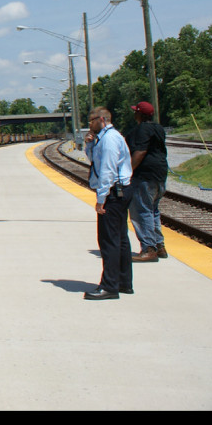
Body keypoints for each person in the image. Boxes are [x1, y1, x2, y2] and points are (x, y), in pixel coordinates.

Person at [83, 107, 133, 300]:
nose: (89, 124)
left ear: (102, 119)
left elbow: (107, 171)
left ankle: (109, 286)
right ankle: (123, 282)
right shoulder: (103, 139)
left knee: (109, 241)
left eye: (92, 120)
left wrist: (101, 199)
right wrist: (89, 146)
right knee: (120, 239)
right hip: (119, 191)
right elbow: (96, 162)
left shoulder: (110, 139)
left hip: (113, 193)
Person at [126, 100, 168, 262]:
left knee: (141, 211)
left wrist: (128, 172)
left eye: (135, 111)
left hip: (144, 175)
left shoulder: (142, 129)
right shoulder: (159, 128)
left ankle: (148, 249)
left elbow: (140, 151)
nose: (134, 113)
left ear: (139, 114)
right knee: (153, 211)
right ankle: (159, 246)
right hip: (160, 174)